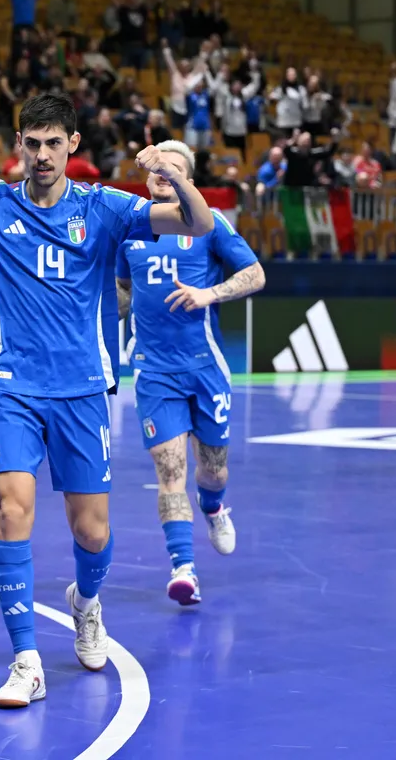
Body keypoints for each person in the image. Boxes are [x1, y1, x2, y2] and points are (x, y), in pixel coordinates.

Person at [0, 91, 213, 708]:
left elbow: (199, 224)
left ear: (72, 146)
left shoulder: (104, 209)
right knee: (12, 512)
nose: (42, 155)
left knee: (92, 531)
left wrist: (169, 177)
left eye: (53, 143)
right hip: (14, 388)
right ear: (19, 146)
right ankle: (25, 661)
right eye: (31, 144)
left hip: (84, 390)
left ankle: (85, 604)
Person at [114, 140, 265, 606]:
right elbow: (122, 291)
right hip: (154, 371)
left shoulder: (211, 224)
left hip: (205, 367)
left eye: (174, 168)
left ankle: (215, 507)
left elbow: (256, 274)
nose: (162, 172)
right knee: (169, 471)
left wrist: (209, 294)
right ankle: (184, 568)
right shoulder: (130, 229)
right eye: (157, 167)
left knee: (212, 469)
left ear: (190, 181)